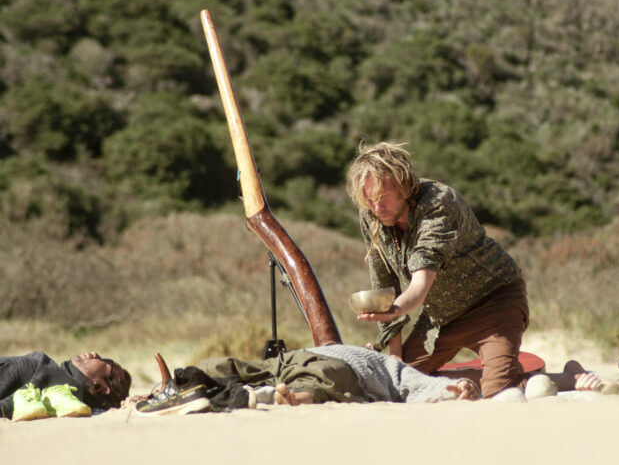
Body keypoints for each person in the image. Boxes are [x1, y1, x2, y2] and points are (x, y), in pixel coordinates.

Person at [345, 142, 529, 398]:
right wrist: (395, 357)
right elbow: (384, 286)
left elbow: (420, 285)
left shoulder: (439, 202)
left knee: (499, 394)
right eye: (369, 200)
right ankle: (476, 379)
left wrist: (394, 309)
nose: (377, 208)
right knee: (398, 383)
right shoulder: (372, 217)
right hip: (440, 317)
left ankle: (546, 379)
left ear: (404, 185)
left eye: (383, 197)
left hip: (493, 304)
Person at [133, 344, 480, 416]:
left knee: (312, 383)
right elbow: (413, 383)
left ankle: (186, 385)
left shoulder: (385, 362)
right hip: (295, 365)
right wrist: (449, 389)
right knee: (228, 367)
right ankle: (185, 387)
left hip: (308, 365)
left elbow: (410, 380)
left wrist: (450, 389)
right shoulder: (379, 360)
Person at [0, 351, 132, 421]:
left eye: (105, 361)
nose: (95, 353)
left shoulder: (37, 370)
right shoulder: (48, 372)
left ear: (103, 387)